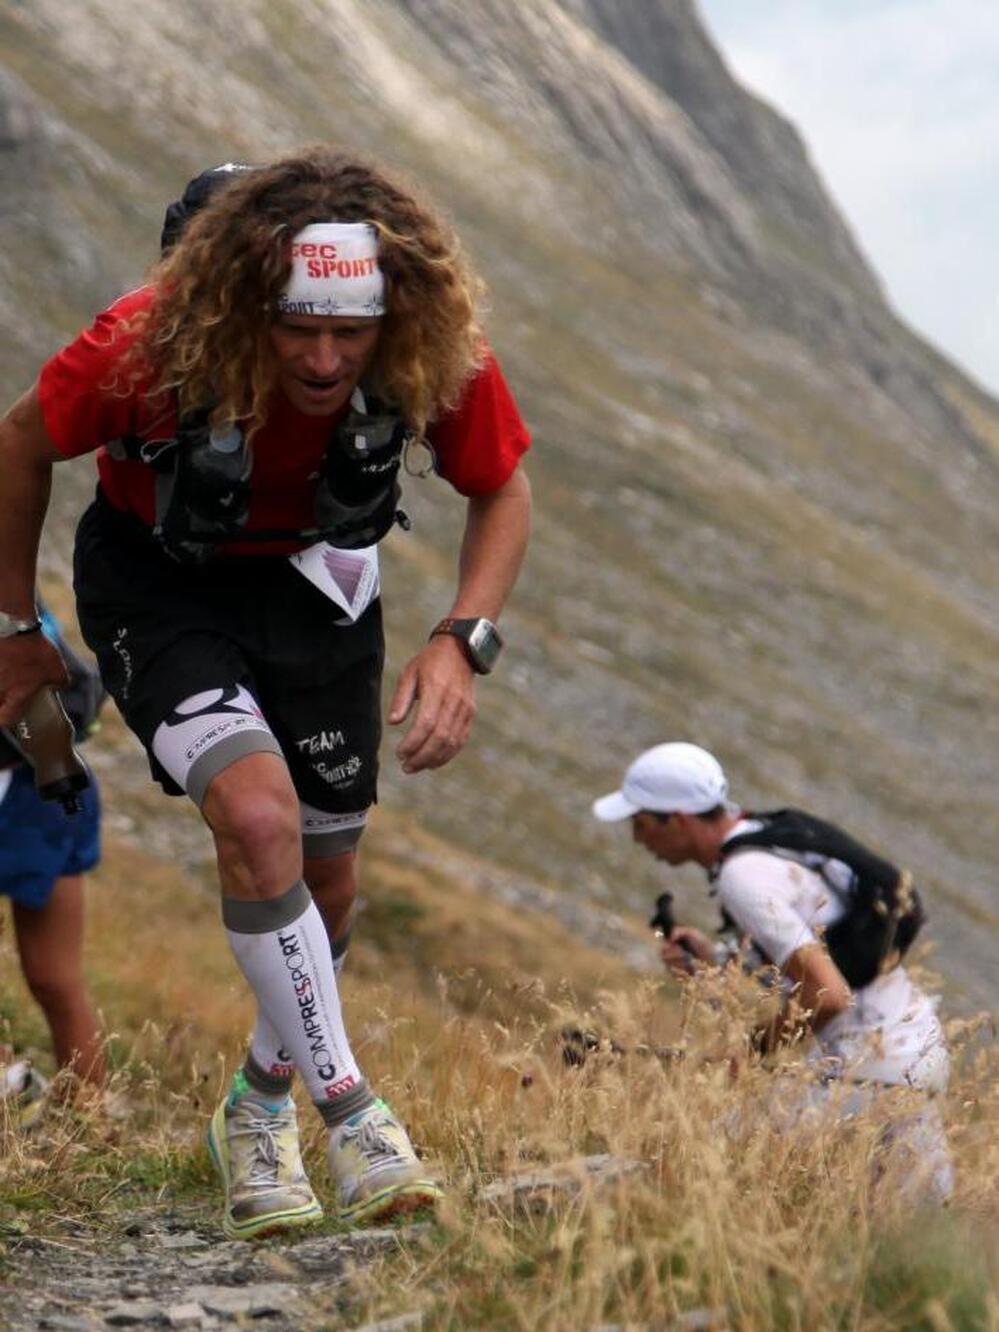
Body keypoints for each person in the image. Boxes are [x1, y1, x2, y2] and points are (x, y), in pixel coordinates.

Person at [0, 146, 532, 1236]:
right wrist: (15, 630)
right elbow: (18, 439)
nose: (328, 360)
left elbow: (501, 486)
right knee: (255, 816)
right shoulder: (144, 346)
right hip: (162, 587)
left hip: (323, 596)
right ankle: (353, 1114)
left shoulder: (427, 341)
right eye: (300, 329)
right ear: (242, 303)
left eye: (352, 333)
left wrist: (459, 638)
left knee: (325, 887)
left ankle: (256, 1105)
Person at [592, 742, 952, 1199]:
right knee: (912, 1235)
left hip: (865, 1067)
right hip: (915, 1048)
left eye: (639, 823)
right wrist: (717, 961)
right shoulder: (772, 834)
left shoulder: (741, 876)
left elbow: (827, 994)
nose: (637, 838)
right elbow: (824, 945)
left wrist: (751, 1048)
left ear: (678, 819)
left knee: (691, 1161)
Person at [0, 601, 106, 1127]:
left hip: (23, 792)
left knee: (55, 977)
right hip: (59, 785)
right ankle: (90, 1124)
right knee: (58, 978)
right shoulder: (17, 597)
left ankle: (15, 1100)